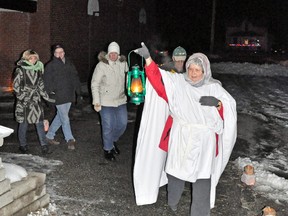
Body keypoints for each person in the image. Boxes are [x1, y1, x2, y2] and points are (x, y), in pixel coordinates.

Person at [133, 42, 237, 216]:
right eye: (191, 69)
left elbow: (230, 111)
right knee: (175, 174)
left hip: (204, 142)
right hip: (181, 136)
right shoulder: (179, 83)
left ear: (204, 72)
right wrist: (148, 58)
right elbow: (158, 82)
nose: (193, 73)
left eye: (197, 70)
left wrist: (218, 104)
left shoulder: (214, 88)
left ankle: (200, 213)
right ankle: (172, 201)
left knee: (202, 179)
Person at [91, 41, 128, 161]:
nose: (113, 55)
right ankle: (108, 149)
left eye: (115, 53)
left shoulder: (123, 64)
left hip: (120, 99)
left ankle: (112, 141)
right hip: (105, 101)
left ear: (118, 54)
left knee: (122, 123)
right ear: (108, 53)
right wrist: (96, 101)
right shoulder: (101, 65)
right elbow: (95, 84)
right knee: (108, 125)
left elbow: (129, 78)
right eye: (111, 53)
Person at [13, 49, 55, 155]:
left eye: (35, 58)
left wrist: (49, 98)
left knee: (39, 123)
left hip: (36, 101)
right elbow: (16, 87)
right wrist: (24, 97)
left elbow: (41, 86)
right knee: (23, 124)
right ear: (26, 58)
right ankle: (23, 145)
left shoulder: (37, 70)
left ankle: (44, 145)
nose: (33, 60)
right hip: (24, 103)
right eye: (31, 57)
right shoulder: (20, 70)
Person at [44, 44, 81, 150]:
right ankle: (70, 139)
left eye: (62, 52)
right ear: (54, 54)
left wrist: (78, 93)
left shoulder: (69, 64)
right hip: (58, 96)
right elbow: (46, 82)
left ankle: (49, 135)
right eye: (57, 52)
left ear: (64, 52)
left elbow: (75, 77)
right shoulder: (50, 66)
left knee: (60, 117)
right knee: (64, 117)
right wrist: (49, 95)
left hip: (69, 94)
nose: (60, 54)